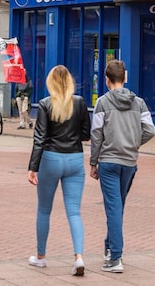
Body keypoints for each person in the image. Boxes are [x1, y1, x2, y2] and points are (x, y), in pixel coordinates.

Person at [89, 59, 155, 273]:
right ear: (125, 78)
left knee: (113, 208)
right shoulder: (139, 103)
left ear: (107, 80)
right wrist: (134, 143)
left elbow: (96, 134)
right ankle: (110, 248)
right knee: (117, 207)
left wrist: (93, 162)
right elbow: (150, 130)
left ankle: (115, 257)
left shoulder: (102, 103)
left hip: (108, 161)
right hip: (129, 162)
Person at [27, 66, 91, 276]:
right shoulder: (80, 102)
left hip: (50, 158)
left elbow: (40, 138)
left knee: (44, 209)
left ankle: (41, 257)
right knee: (74, 211)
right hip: (74, 159)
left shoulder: (45, 104)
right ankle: (79, 257)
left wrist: (32, 167)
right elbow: (86, 134)